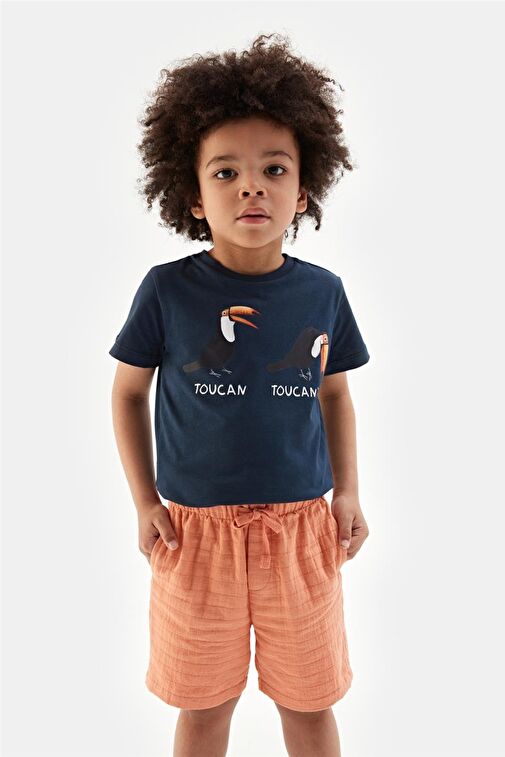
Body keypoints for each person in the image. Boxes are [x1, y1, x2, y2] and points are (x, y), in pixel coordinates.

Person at [109, 32, 371, 757]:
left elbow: (335, 395)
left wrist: (348, 492)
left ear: (303, 190)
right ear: (194, 197)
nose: (251, 186)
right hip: (194, 537)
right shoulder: (165, 291)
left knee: (309, 703)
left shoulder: (324, 293)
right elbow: (127, 394)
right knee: (202, 707)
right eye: (225, 172)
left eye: (273, 169)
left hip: (302, 533)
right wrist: (144, 500)